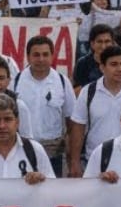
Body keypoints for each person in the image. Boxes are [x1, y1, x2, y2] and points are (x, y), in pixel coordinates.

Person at [67, 45, 121, 177]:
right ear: (102, 67)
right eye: (114, 64)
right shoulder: (88, 92)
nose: (120, 69)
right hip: (93, 163)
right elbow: (78, 128)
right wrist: (74, 162)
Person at [11, 35, 76, 177]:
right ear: (28, 57)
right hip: (22, 149)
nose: (41, 59)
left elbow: (70, 119)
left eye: (45, 54)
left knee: (51, 196)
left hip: (53, 152)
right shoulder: (15, 82)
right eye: (36, 55)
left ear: (52, 56)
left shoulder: (62, 82)